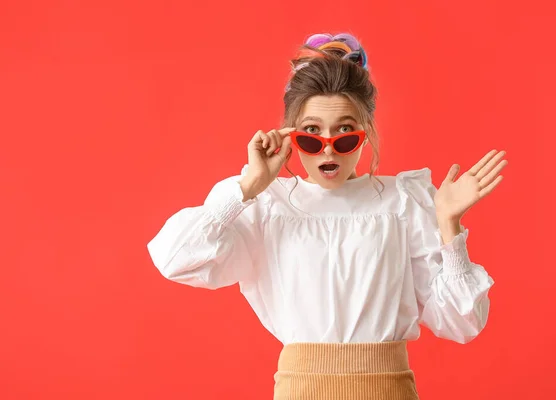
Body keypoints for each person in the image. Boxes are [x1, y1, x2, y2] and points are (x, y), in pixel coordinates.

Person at [146, 32, 507, 400]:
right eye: (312, 135)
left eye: (345, 133)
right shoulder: (271, 206)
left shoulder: (403, 203)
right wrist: (249, 185)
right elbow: (175, 260)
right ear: (291, 136)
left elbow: (463, 324)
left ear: (365, 134)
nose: (328, 149)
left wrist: (448, 225)